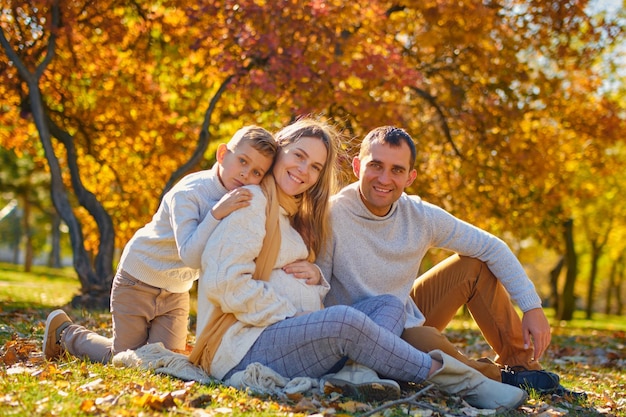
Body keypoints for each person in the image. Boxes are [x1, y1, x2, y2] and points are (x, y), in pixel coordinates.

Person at [190, 118, 528, 410]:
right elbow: (225, 285)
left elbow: (310, 280)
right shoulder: (252, 204)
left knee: (390, 303)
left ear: (410, 176)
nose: (304, 171)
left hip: (292, 338)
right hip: (244, 347)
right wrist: (299, 318)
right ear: (279, 152)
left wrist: (315, 279)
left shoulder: (292, 212)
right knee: (345, 320)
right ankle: (464, 382)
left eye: (316, 166)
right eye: (298, 156)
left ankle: (356, 372)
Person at [316, 125, 564, 394]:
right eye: (375, 165)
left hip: (401, 315)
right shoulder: (331, 216)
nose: (384, 179)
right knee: (425, 339)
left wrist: (532, 307)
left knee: (473, 265)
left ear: (410, 177)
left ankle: (522, 367)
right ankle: (499, 379)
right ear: (356, 166)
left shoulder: (419, 216)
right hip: (355, 332)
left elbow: (492, 247)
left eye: (397, 170)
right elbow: (316, 292)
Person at [43, 125, 278, 363]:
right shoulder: (189, 193)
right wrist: (216, 214)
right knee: (125, 359)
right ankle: (65, 334)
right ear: (222, 155)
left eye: (257, 172)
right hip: (138, 278)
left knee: (165, 361)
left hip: (176, 292)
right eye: (242, 161)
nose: (246, 174)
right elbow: (190, 255)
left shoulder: (244, 200)